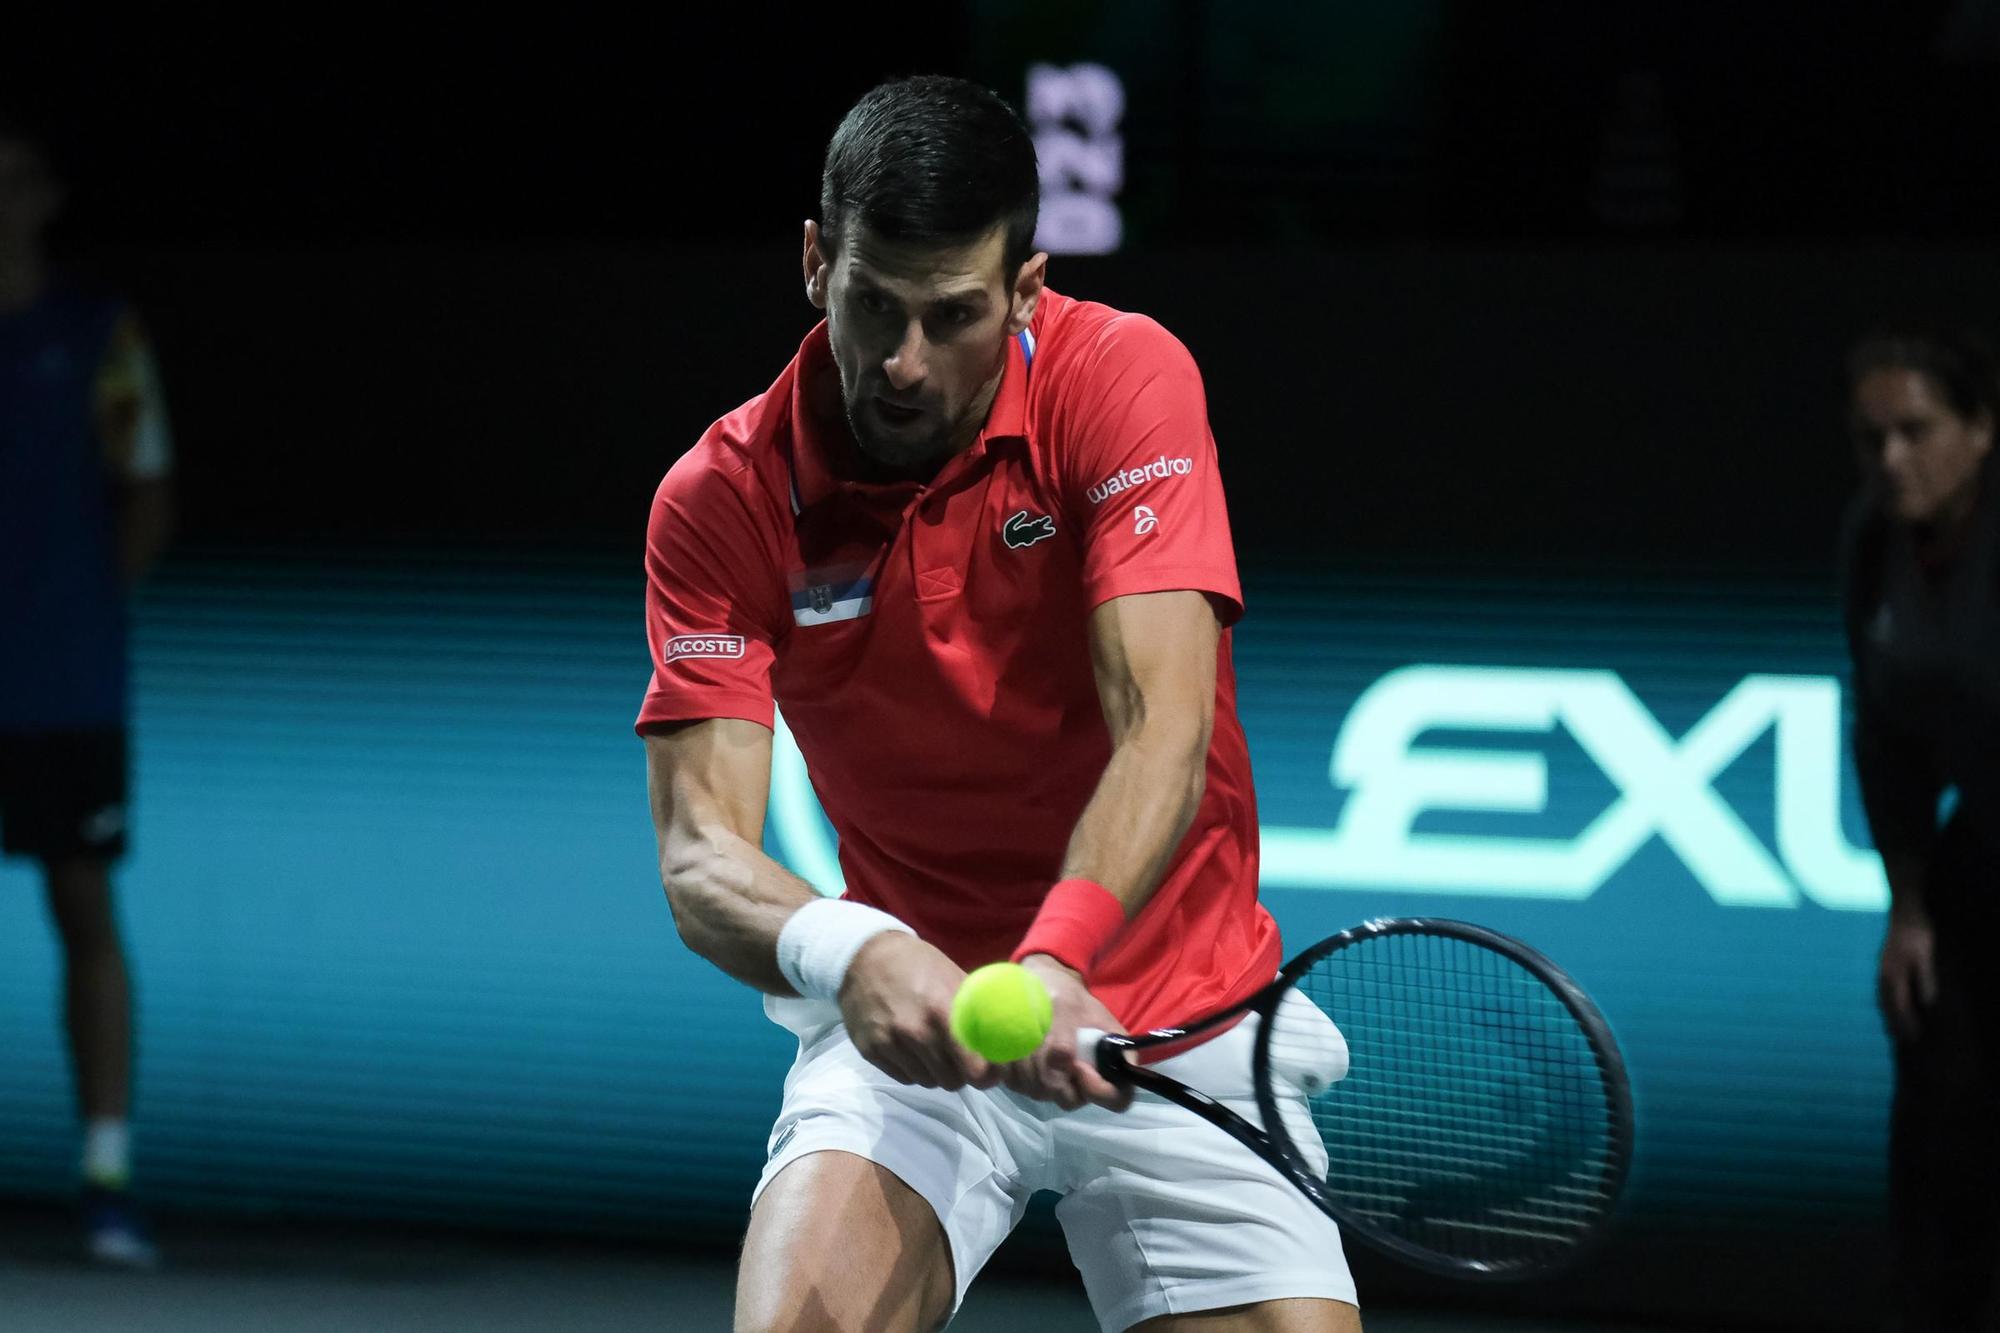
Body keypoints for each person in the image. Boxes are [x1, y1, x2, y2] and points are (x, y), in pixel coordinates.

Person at [636, 76, 1358, 1332]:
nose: (903, 363)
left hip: (1173, 1026)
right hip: (909, 1026)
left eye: (952, 315)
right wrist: (854, 950)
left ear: (1024, 289)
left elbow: (1162, 727)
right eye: (873, 305)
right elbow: (701, 852)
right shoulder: (721, 495)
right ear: (816, 262)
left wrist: (1055, 955)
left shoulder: (1121, 379)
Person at [0, 117, 174, 1269]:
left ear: (45, 195)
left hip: (65, 687)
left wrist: (71, 621)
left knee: (82, 914)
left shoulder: (97, 335)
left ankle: (105, 1179)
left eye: (10, 179)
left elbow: (144, 488)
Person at [1842, 326, 2000, 1331]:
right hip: (1974, 853)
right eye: (1869, 439)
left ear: (1980, 430)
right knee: (1941, 1126)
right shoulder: (1870, 542)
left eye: (1915, 431)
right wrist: (1906, 906)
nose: (1890, 460)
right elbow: (1886, 740)